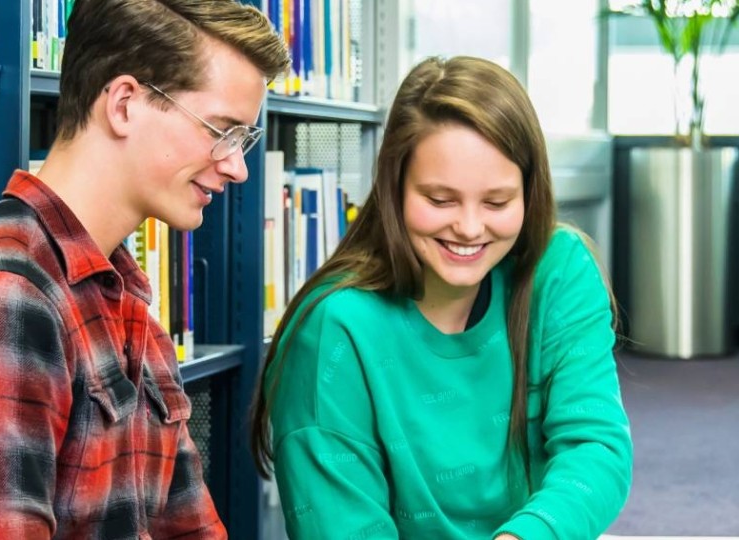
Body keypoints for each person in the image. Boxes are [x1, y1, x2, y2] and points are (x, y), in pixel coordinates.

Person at [0, 0, 288, 537]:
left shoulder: (124, 301)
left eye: (243, 140)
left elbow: (191, 527)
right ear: (125, 105)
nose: (238, 166)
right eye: (221, 131)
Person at [249, 56, 633, 539]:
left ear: (529, 194)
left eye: (496, 202)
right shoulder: (334, 330)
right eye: (440, 200)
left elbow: (594, 446)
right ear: (394, 189)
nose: (470, 228)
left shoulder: (558, 268)